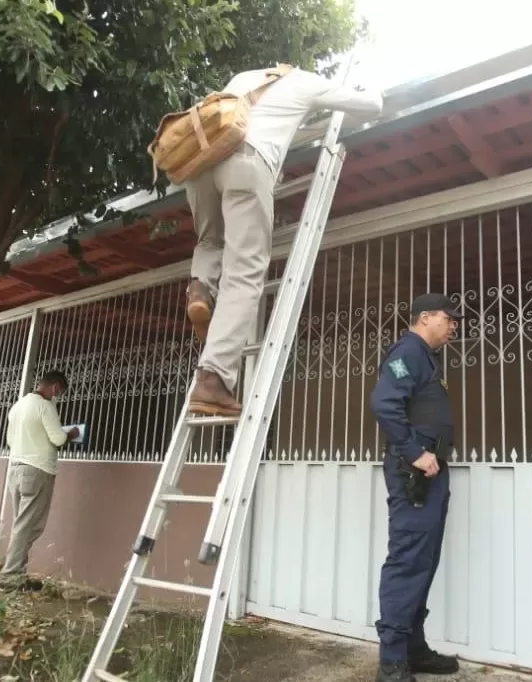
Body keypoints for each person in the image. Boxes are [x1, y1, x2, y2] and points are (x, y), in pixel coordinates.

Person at [184, 66, 384, 417]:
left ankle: (200, 287)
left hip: (200, 162)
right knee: (245, 272)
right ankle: (213, 378)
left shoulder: (244, 77)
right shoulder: (303, 80)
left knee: (211, 239)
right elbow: (370, 106)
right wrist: (372, 88)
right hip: (247, 161)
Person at [368, 293, 464, 682]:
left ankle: (413, 648)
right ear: (425, 317)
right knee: (408, 559)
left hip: (430, 473)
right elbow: (384, 403)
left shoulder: (426, 358)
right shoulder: (408, 351)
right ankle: (392, 662)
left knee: (424, 560)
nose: (454, 325)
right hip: (414, 473)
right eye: (449, 318)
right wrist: (414, 452)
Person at [0, 370, 79, 590]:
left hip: (16, 469)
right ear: (55, 387)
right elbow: (58, 439)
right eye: (59, 392)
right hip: (37, 471)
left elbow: (10, 440)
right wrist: (71, 433)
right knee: (28, 527)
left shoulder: (18, 406)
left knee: (21, 524)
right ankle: (10, 577)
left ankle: (17, 575)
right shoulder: (44, 406)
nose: (57, 396)